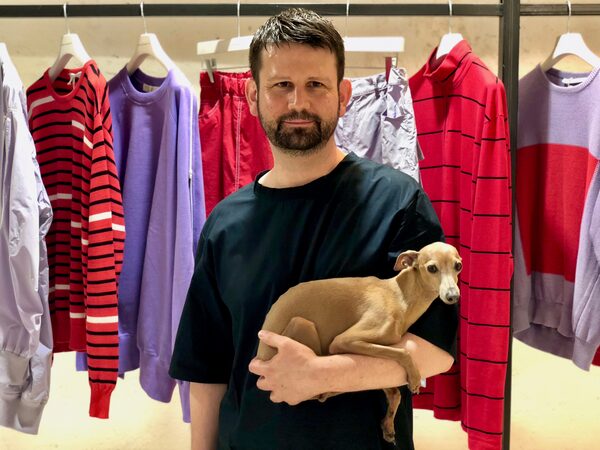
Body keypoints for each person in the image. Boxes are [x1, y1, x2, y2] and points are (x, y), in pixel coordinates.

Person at [170, 8, 458, 450]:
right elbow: (207, 369)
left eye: (316, 85)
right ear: (253, 95)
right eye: (281, 85)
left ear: (343, 96)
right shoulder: (224, 224)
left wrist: (323, 375)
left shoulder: (398, 202)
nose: (297, 103)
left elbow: (435, 351)